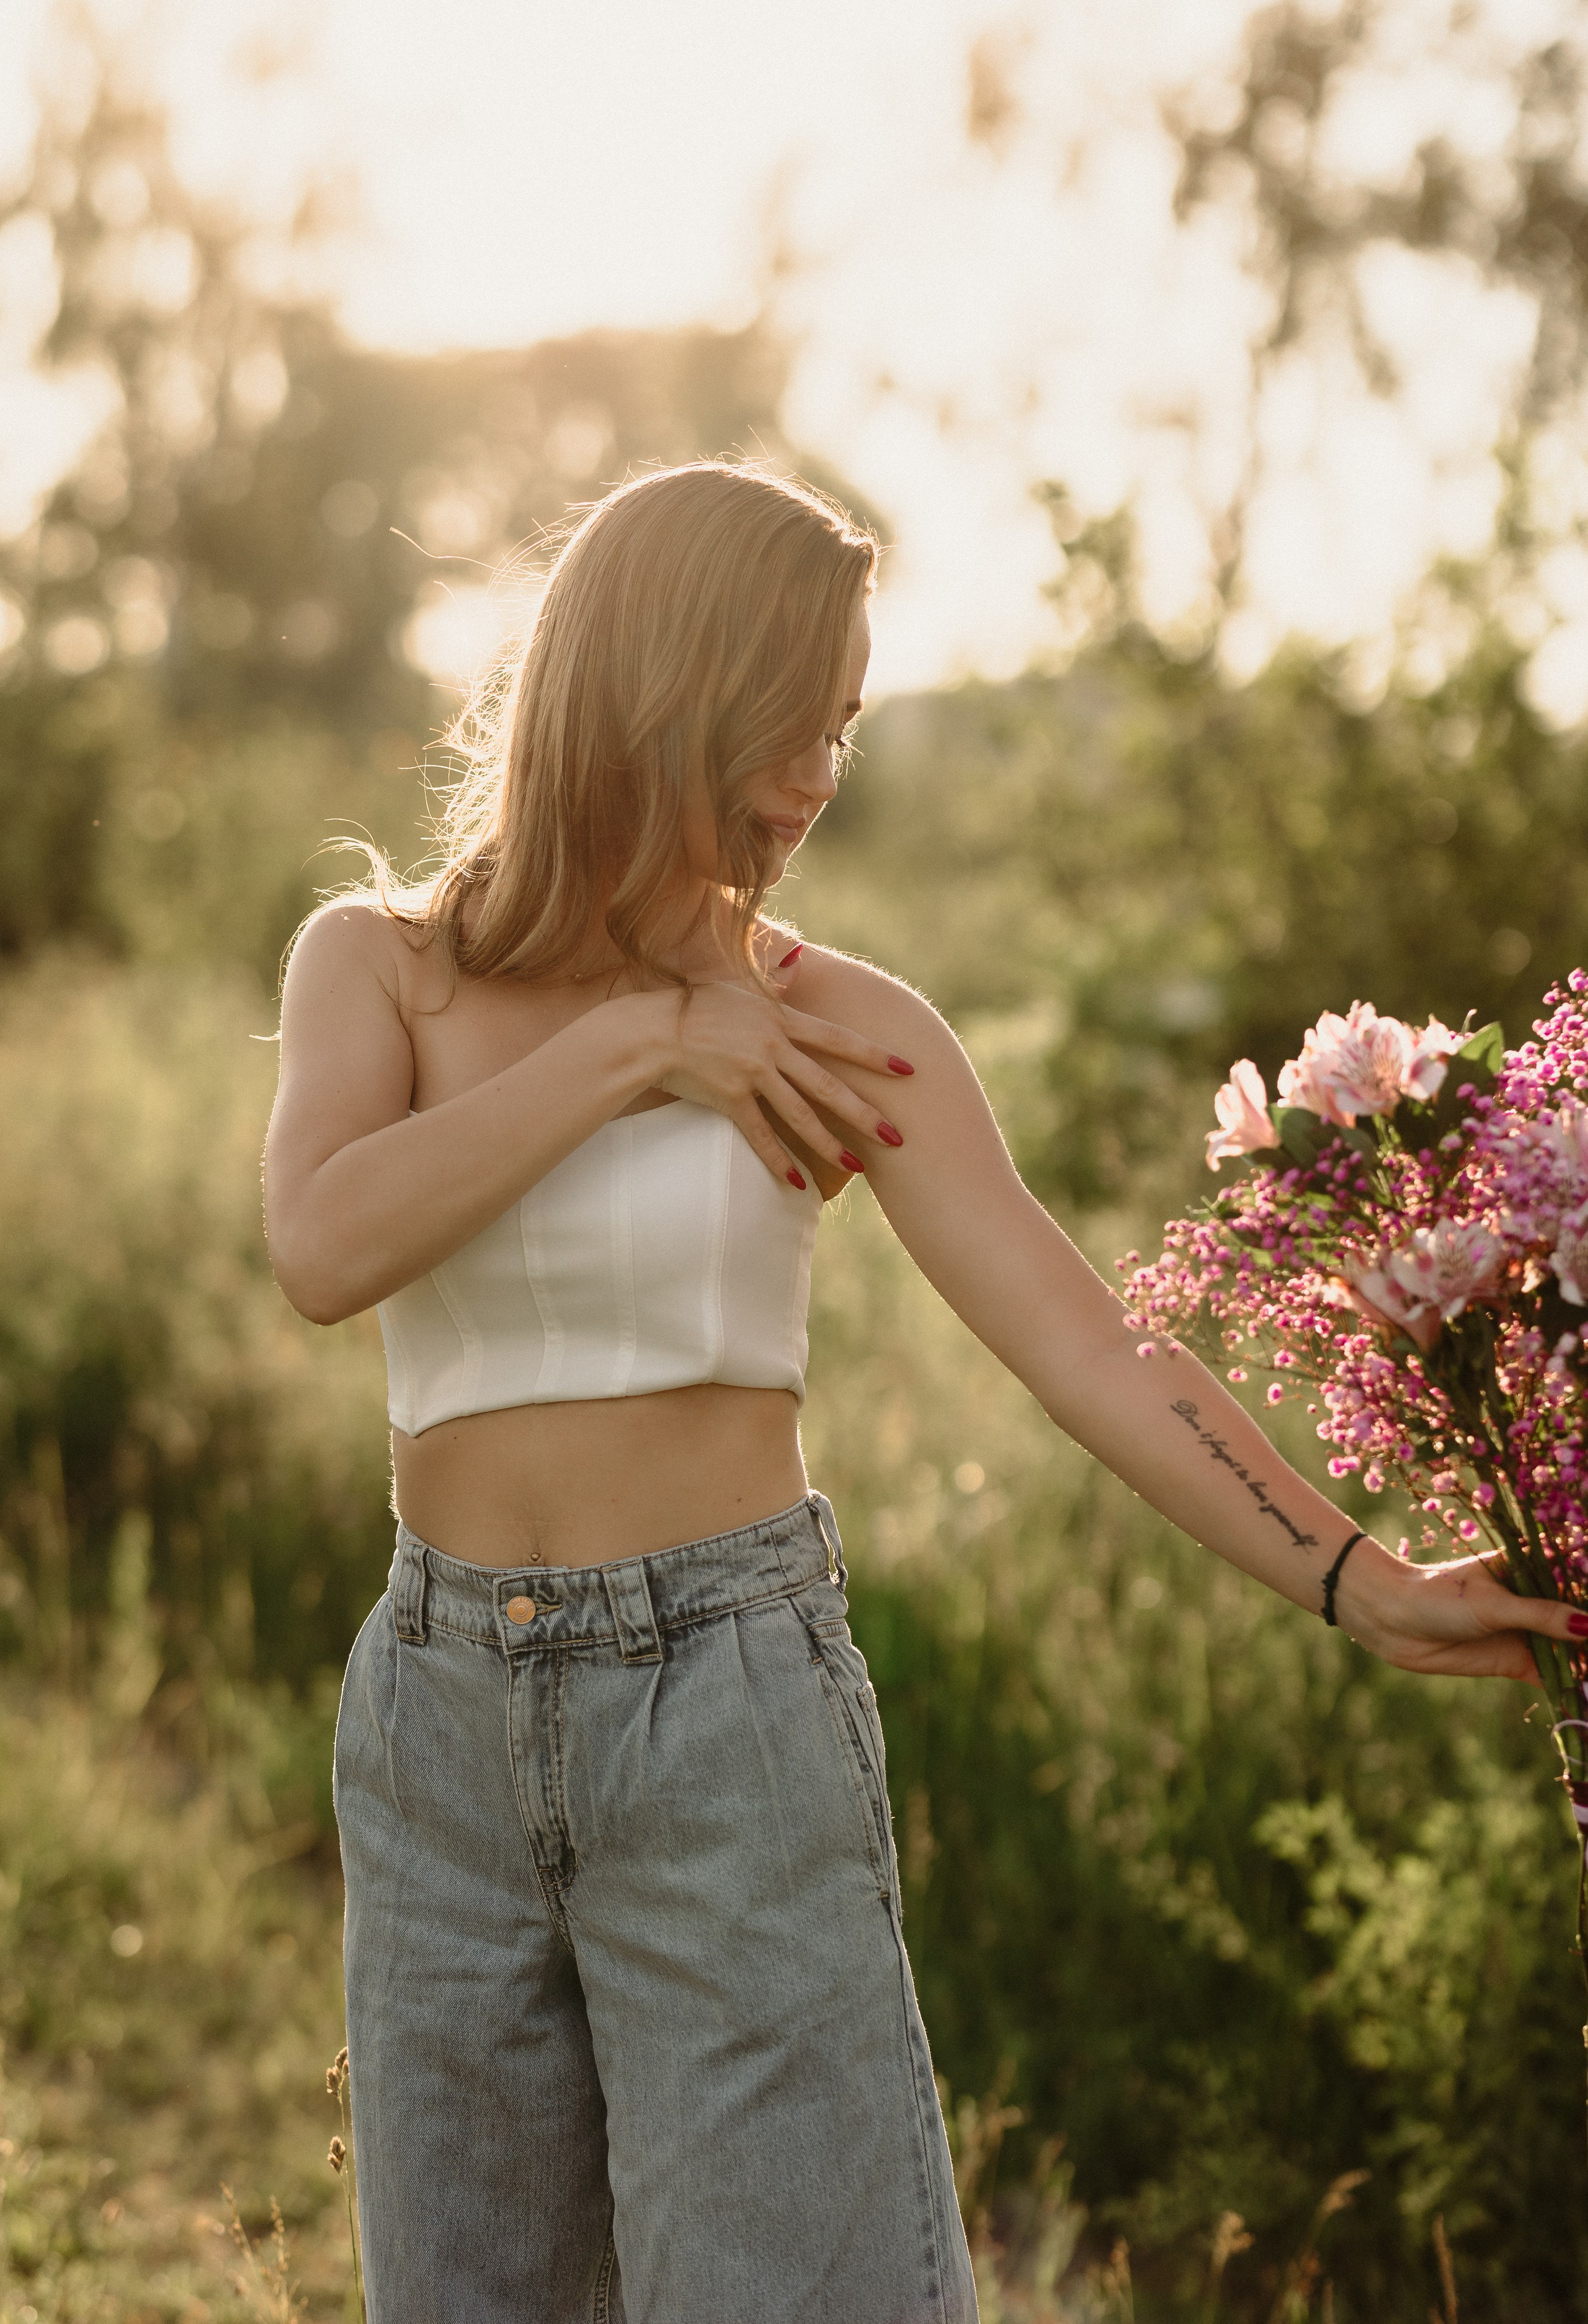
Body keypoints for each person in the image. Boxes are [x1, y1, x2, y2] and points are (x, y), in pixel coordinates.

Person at [264, 461, 1587, 2324]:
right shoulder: (379, 972)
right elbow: (325, 1248)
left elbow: (1090, 1341)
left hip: (725, 1705)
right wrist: (651, 1044)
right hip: (436, 1718)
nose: (817, 779)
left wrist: (1356, 1580)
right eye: (788, 726)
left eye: (845, 731)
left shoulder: (847, 1026)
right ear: (664, 691)